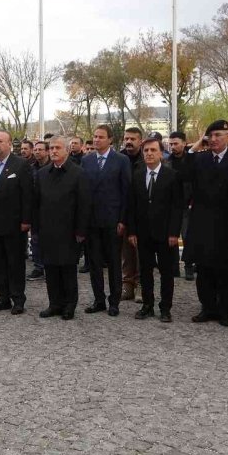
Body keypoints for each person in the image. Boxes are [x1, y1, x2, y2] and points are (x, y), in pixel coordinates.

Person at [183, 120, 228, 326]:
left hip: (227, 223)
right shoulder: (200, 159)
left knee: (226, 270)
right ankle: (207, 307)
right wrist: (194, 147)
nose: (213, 139)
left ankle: (225, 310)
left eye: (218, 135)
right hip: (203, 222)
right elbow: (183, 174)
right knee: (204, 270)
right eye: (210, 136)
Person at [34, 136, 90, 320]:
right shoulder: (42, 174)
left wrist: (81, 231)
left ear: (67, 150)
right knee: (50, 269)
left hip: (69, 230)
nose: (53, 151)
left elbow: (84, 204)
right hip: (48, 230)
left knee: (67, 270)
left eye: (58, 147)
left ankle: (69, 305)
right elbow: (37, 203)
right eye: (51, 148)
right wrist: (36, 229)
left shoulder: (78, 173)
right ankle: (54, 304)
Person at [127, 137, 184, 321]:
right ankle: (147, 305)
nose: (149, 154)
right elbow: (132, 206)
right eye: (146, 151)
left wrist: (174, 233)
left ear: (161, 153)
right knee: (145, 271)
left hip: (166, 233)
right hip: (143, 233)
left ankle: (165, 308)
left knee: (166, 272)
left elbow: (177, 207)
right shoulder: (137, 175)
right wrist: (132, 231)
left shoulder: (172, 175)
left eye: (153, 150)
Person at [80, 125, 132, 317]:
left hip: (112, 220)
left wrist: (122, 220)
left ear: (110, 140)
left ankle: (114, 301)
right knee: (93, 263)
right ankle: (99, 299)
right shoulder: (86, 161)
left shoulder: (121, 160)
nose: (97, 140)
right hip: (92, 221)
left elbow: (126, 192)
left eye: (101, 137)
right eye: (94, 136)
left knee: (113, 263)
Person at [0, 131, 33, 315]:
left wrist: (26, 220)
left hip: (14, 223)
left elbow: (27, 194)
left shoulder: (21, 164)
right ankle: (2, 297)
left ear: (9, 144)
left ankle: (18, 298)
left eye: (0, 141)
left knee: (15, 262)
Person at [119, 126, 144, 300]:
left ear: (140, 141)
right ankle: (128, 284)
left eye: (132, 139)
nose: (128, 142)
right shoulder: (119, 159)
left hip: (142, 212)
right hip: (123, 211)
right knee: (126, 252)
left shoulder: (148, 157)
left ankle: (142, 285)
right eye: (126, 138)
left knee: (141, 252)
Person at [167, 131, 193, 280]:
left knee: (187, 236)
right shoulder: (166, 161)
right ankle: (174, 267)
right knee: (172, 237)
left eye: (176, 143)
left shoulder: (191, 160)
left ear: (184, 143)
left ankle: (188, 266)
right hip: (171, 204)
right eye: (170, 144)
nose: (173, 147)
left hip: (187, 204)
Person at [27, 140, 50, 281]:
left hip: (49, 208)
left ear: (47, 151)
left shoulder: (52, 167)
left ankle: (49, 265)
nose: (37, 152)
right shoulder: (30, 168)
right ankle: (38, 266)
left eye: (40, 149)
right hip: (35, 208)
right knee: (35, 238)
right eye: (35, 150)